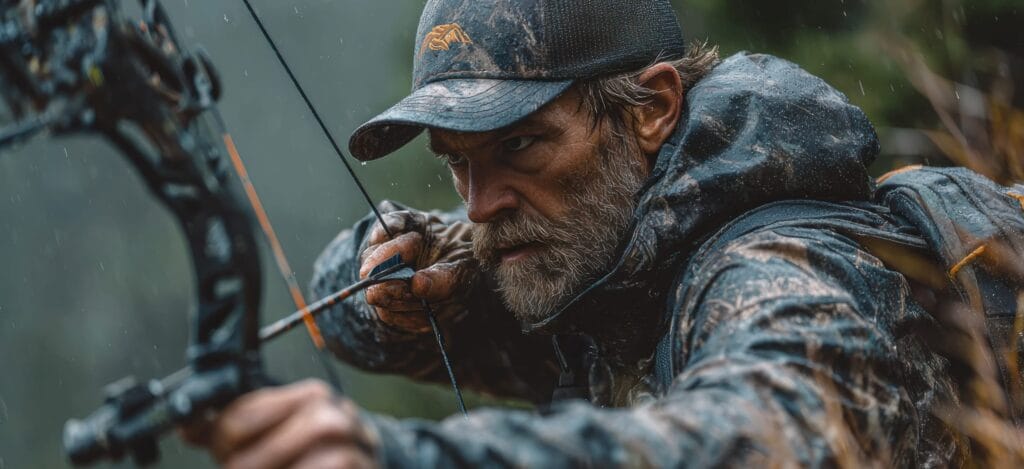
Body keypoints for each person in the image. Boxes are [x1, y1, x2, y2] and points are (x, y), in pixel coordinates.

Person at [185, 0, 965, 466]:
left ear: (652, 108)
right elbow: (340, 318)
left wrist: (402, 457)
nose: (481, 203)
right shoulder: (601, 260)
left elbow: (761, 436)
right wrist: (416, 276)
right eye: (458, 164)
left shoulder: (784, 265)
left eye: (518, 144)